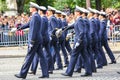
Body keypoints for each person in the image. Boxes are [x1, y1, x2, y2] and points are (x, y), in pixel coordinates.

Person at [14, 2, 49, 79]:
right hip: (38, 39)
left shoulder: (35, 16)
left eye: (30, 7)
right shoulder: (36, 16)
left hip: (35, 40)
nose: (29, 8)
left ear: (34, 8)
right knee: (42, 57)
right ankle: (45, 74)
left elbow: (33, 30)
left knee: (29, 57)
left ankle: (22, 74)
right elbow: (29, 24)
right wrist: (19, 28)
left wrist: (32, 41)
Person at [61, 5, 92, 77]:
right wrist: (63, 29)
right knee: (85, 56)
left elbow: (82, 31)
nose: (74, 14)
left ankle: (69, 72)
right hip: (82, 41)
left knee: (73, 55)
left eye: (75, 12)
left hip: (80, 41)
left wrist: (79, 41)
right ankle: (88, 71)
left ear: (78, 13)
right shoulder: (79, 19)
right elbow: (72, 26)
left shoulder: (80, 20)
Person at [29, 6, 54, 75]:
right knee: (48, 53)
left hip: (42, 38)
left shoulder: (42, 19)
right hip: (46, 38)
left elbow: (41, 30)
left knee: (37, 54)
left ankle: (33, 69)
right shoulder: (45, 18)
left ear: (40, 11)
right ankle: (50, 68)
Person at [47, 6, 63, 70]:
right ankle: (59, 65)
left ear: (51, 12)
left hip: (52, 37)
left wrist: (51, 35)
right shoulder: (53, 18)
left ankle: (50, 67)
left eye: (48, 11)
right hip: (54, 37)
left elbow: (55, 28)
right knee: (56, 52)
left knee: (47, 52)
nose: (47, 12)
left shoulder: (52, 18)